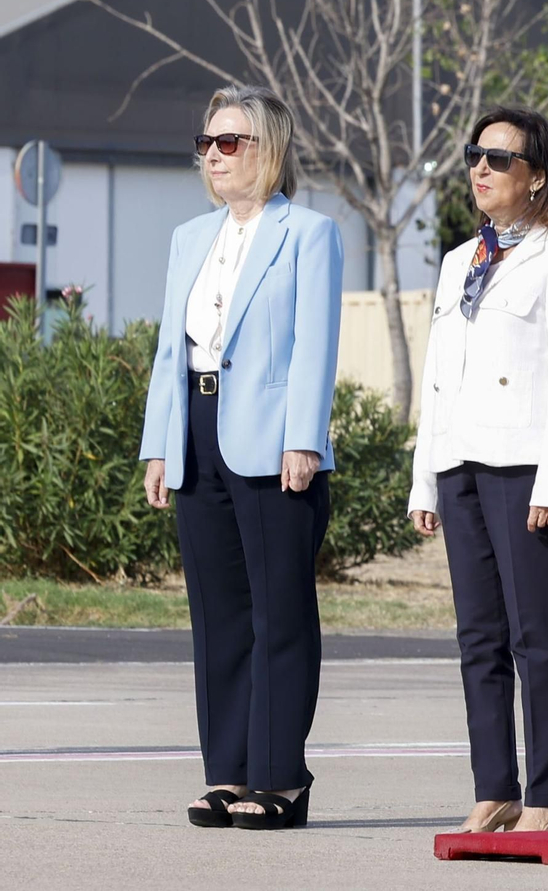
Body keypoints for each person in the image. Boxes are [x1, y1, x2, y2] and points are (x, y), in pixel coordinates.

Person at [140, 84, 343, 830]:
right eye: (207, 143)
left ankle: (279, 777)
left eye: (230, 142)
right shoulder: (190, 237)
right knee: (218, 614)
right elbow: (171, 351)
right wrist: (160, 445)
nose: (214, 156)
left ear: (269, 150)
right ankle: (226, 773)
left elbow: (315, 346)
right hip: (197, 426)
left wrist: (304, 438)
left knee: (279, 612)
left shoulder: (308, 233)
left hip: (270, 434)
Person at [408, 107, 548, 834]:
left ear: (537, 177)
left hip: (523, 468)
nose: (480, 169)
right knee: (477, 636)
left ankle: (546, 796)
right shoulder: (461, 260)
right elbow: (438, 379)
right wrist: (426, 478)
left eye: (499, 158)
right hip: (459, 463)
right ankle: (496, 787)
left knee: (535, 635)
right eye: (474, 156)